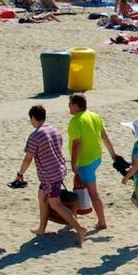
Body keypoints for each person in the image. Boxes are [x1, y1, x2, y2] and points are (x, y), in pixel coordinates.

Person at [15, 105, 85, 244]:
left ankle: (80, 228)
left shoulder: (35, 136)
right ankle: (41, 229)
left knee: (55, 204)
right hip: (59, 170)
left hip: (49, 175)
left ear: (33, 118)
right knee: (41, 196)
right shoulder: (53, 130)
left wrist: (20, 174)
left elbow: (28, 159)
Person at [67, 94, 123, 231]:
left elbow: (77, 144)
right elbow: (104, 137)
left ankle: (102, 222)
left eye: (70, 104)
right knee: (82, 187)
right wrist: (113, 155)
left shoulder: (76, 121)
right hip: (96, 158)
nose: (68, 107)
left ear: (75, 105)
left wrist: (73, 164)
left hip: (84, 162)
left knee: (92, 193)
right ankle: (74, 218)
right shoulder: (94, 116)